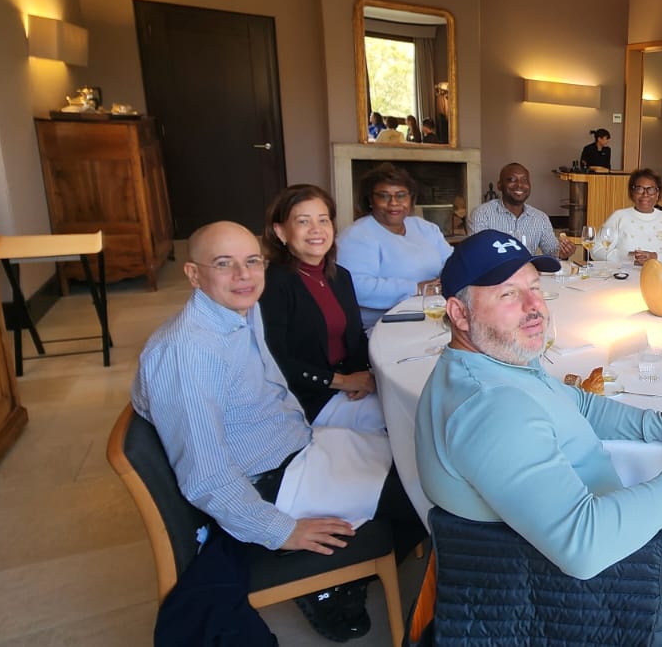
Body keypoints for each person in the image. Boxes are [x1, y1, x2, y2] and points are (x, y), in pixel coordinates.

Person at [416, 230, 662, 641]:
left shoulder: (489, 367)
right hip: (607, 576)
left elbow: (579, 404)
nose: (534, 307)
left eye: (534, 287)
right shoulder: (493, 408)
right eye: (508, 295)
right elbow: (584, 545)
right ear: (459, 314)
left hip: (550, 540)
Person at [133, 221, 425, 643]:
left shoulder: (241, 312)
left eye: (252, 261)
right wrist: (282, 531)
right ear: (194, 274)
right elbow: (205, 475)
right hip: (273, 480)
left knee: (420, 460)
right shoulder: (186, 353)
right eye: (224, 264)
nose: (244, 275)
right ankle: (331, 586)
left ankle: (344, 577)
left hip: (300, 446)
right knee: (425, 496)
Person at [259, 184, 382, 432]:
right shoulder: (271, 284)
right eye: (303, 221)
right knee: (401, 424)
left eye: (323, 220)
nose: (316, 229)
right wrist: (344, 381)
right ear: (281, 232)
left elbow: (356, 336)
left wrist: (364, 375)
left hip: (351, 385)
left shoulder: (340, 276)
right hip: (309, 398)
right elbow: (275, 361)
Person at [336, 163, 452, 328]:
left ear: (411, 199)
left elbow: (451, 261)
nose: (394, 203)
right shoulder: (356, 235)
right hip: (384, 326)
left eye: (401, 195)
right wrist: (416, 288)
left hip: (435, 314)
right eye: (384, 196)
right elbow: (356, 286)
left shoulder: (425, 228)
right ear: (370, 200)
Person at [467, 162, 576, 259]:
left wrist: (563, 253)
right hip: (494, 274)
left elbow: (552, 252)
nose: (519, 185)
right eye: (512, 180)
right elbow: (478, 254)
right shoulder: (482, 214)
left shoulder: (540, 218)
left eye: (524, 180)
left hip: (527, 273)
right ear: (499, 185)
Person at [599, 168, 662, 266]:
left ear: (657, 194)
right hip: (624, 274)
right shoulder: (619, 217)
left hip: (660, 274)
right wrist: (627, 257)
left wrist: (655, 256)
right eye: (639, 189)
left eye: (651, 189)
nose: (645, 194)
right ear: (632, 192)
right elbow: (597, 249)